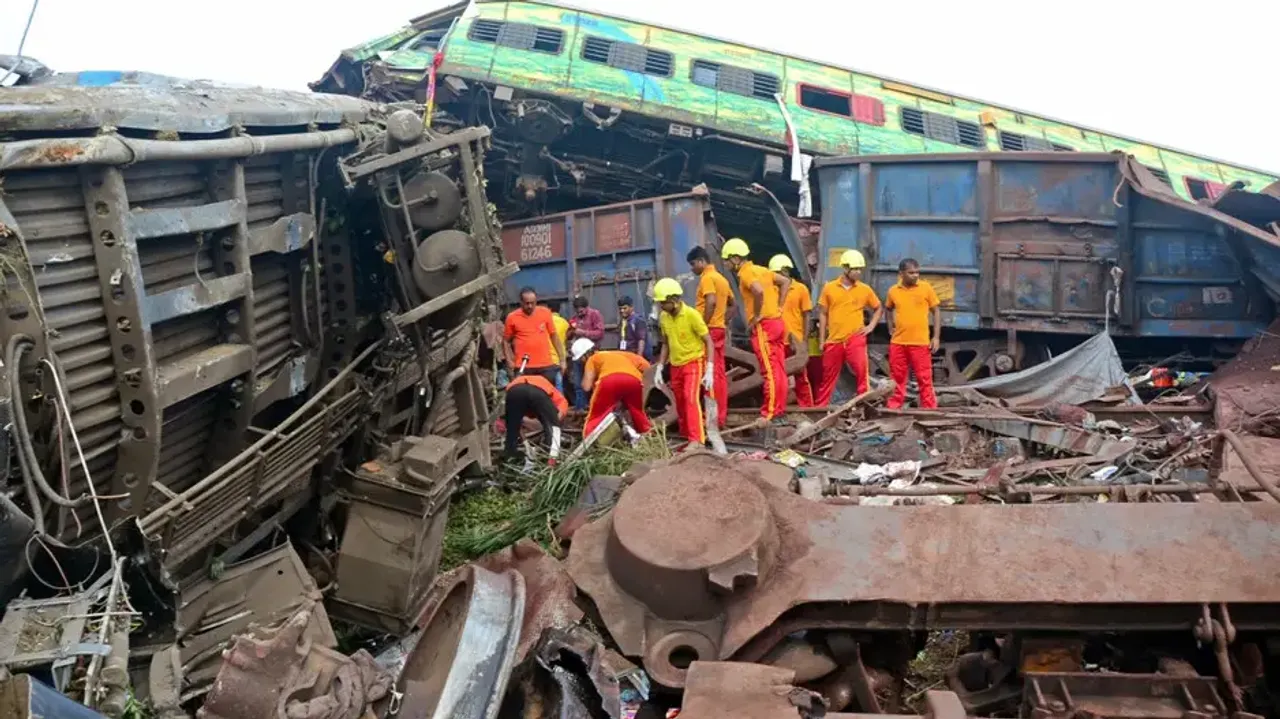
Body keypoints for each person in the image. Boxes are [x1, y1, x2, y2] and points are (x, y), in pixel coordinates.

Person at [721, 238, 790, 420]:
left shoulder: (746, 273)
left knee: (769, 370)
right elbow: (785, 282)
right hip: (777, 322)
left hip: (764, 326)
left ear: (736, 259)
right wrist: (780, 306)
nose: (725, 263)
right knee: (779, 369)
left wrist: (758, 314)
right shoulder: (761, 270)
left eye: (727, 260)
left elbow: (758, 291)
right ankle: (779, 409)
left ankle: (769, 412)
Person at [652, 277, 715, 447]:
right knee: (680, 401)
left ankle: (697, 440)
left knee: (690, 398)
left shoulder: (691, 315)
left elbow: (708, 341)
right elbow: (666, 343)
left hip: (694, 361)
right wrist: (660, 367)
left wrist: (709, 368)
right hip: (676, 365)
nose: (661, 306)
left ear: (673, 300)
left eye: (663, 303)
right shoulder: (664, 318)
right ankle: (687, 435)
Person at [816, 250, 883, 405]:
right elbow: (823, 314)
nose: (858, 272)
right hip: (834, 339)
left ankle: (863, 405)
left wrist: (870, 326)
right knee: (828, 376)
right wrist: (822, 340)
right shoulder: (830, 288)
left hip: (855, 337)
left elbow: (878, 307)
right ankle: (820, 408)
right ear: (845, 268)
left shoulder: (864, 289)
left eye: (860, 269)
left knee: (861, 372)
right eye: (855, 269)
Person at [884, 258, 940, 410]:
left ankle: (929, 409)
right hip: (898, 343)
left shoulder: (926, 288)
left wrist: (936, 337)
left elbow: (936, 311)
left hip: (920, 342)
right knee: (897, 378)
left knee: (924, 378)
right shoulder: (893, 291)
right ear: (901, 274)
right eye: (911, 273)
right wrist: (890, 327)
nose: (915, 275)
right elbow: (887, 309)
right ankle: (894, 408)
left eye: (917, 272)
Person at [688, 246, 733, 429]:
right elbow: (733, 304)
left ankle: (712, 419)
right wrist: (723, 320)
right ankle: (720, 417)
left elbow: (711, 301)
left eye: (692, 264)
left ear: (701, 261)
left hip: (710, 331)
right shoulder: (721, 278)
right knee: (719, 374)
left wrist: (703, 326)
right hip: (719, 329)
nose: (692, 269)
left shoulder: (707, 278)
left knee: (709, 375)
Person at [769, 254, 815, 407]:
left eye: (778, 273)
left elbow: (807, 315)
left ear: (785, 271)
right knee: (777, 376)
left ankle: (807, 407)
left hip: (795, 340)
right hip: (777, 341)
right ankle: (779, 406)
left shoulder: (800, 289)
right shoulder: (770, 290)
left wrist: (804, 340)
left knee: (801, 376)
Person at [581, 350, 654, 438]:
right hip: (634, 380)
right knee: (637, 411)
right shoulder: (616, 354)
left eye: (580, 359)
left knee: (597, 415)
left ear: (586, 354)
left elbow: (586, 386)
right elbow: (646, 366)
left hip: (610, 380)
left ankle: (588, 438)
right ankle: (649, 435)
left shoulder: (592, 358)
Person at [501, 372, 568, 466]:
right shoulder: (556, 397)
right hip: (537, 392)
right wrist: (553, 421)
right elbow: (562, 407)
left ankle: (510, 458)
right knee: (553, 428)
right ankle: (552, 460)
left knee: (512, 428)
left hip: (514, 391)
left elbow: (514, 423)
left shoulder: (522, 383)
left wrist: (524, 441)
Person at [504, 287, 566, 385]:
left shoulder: (545, 313)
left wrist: (562, 360)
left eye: (533, 303)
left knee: (547, 395)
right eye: (527, 303)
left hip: (546, 366)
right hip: (524, 367)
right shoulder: (512, 318)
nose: (530, 306)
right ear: (521, 302)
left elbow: (554, 337)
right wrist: (509, 361)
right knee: (526, 397)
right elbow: (506, 341)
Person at [567, 296, 604, 410]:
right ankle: (580, 409)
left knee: (594, 383)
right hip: (578, 354)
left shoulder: (595, 314)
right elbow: (568, 336)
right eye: (578, 312)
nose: (580, 313)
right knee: (578, 384)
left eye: (582, 311)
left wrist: (583, 332)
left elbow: (600, 333)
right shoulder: (574, 318)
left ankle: (597, 408)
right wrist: (572, 332)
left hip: (591, 353)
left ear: (587, 307)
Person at [547, 307, 571, 392]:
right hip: (559, 358)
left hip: (547, 358)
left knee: (547, 385)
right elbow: (567, 337)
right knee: (559, 384)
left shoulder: (546, 321)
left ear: (549, 309)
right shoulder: (564, 322)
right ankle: (560, 404)